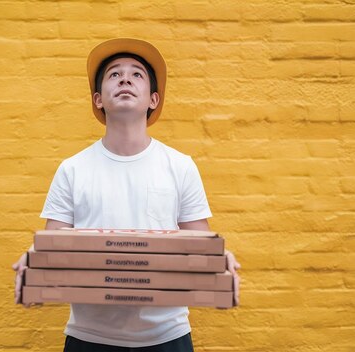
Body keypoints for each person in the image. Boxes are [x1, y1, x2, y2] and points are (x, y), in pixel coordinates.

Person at [13, 38, 240, 352]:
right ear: (98, 99)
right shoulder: (72, 169)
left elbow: (198, 243)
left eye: (137, 75)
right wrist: (34, 262)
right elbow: (55, 245)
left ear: (153, 99)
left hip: (167, 336)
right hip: (89, 337)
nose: (125, 79)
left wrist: (217, 257)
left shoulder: (180, 166)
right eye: (114, 74)